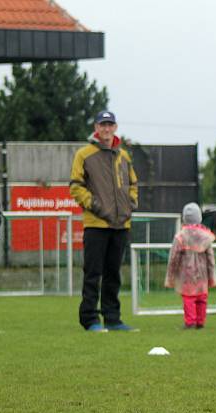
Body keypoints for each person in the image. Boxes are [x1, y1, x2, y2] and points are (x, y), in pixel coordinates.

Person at [70, 110, 139, 332]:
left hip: (121, 225)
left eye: (110, 124)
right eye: (103, 125)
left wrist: (130, 205)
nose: (107, 129)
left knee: (113, 274)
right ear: (96, 127)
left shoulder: (124, 156)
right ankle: (89, 319)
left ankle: (113, 318)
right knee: (93, 273)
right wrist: (97, 207)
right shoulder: (84, 154)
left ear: (115, 127)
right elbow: (75, 186)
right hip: (96, 224)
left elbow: (134, 184)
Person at [165, 202, 216, 329]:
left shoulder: (180, 236)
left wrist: (170, 277)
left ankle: (190, 322)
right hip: (203, 274)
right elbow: (210, 258)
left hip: (186, 275)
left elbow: (174, 257)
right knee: (201, 298)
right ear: (199, 217)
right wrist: (212, 277)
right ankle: (200, 322)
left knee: (189, 298)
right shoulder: (206, 237)